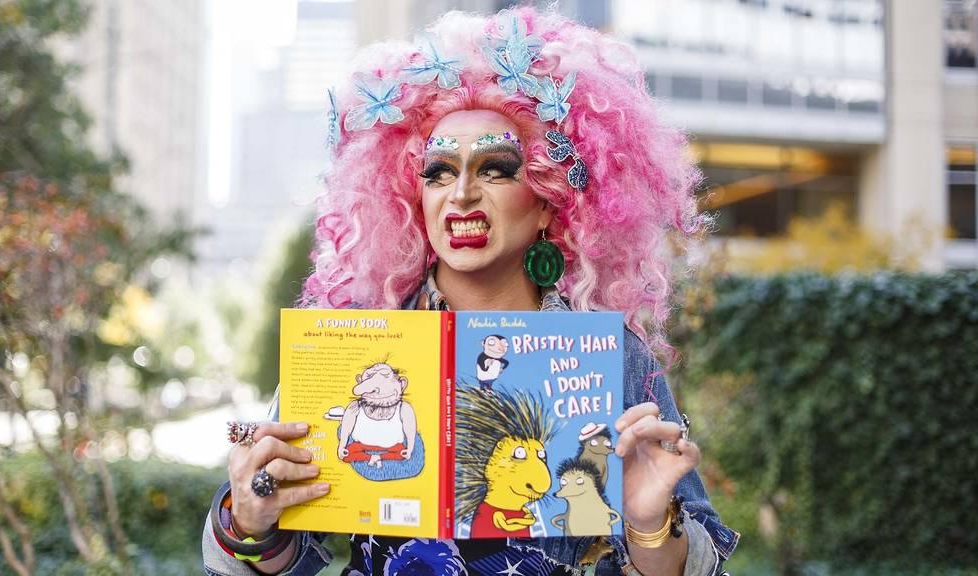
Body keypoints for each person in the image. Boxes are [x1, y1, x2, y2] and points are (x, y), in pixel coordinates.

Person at [202, 7, 739, 576]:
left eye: (495, 169)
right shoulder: (354, 345)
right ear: (414, 197)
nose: (460, 193)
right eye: (437, 173)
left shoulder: (610, 356)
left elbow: (693, 563)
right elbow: (267, 560)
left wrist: (650, 522)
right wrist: (249, 519)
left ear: (546, 201)